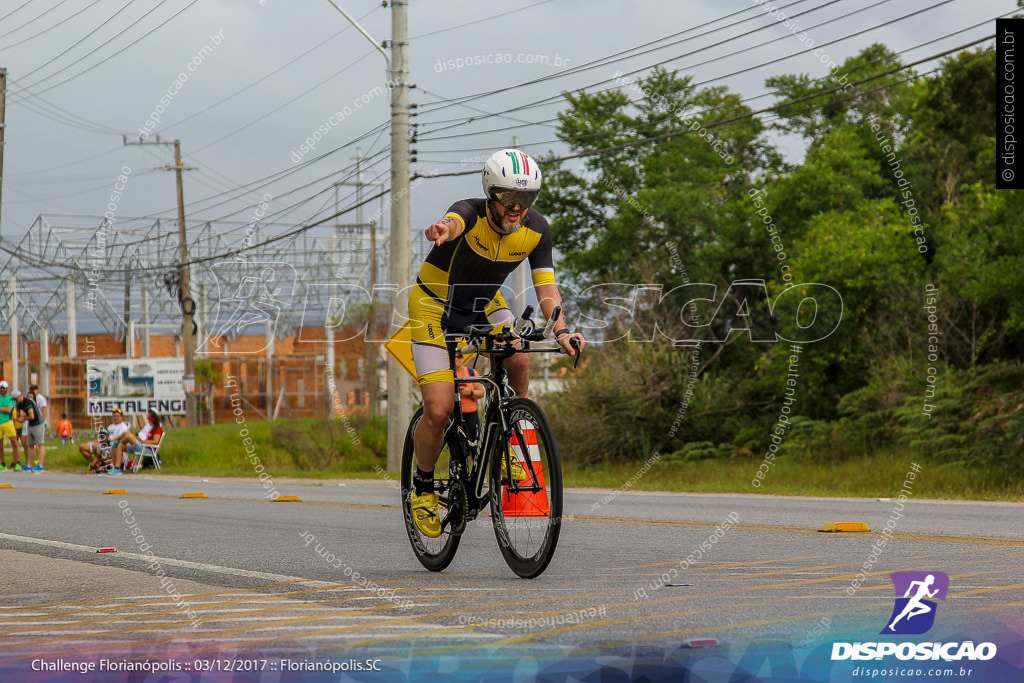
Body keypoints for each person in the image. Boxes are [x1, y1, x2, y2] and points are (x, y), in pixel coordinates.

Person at [407, 149, 585, 538]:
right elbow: (453, 222)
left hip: (485, 305)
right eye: (509, 197)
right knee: (438, 410)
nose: (518, 207)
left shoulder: (537, 228)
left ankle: (509, 424)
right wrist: (443, 230)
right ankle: (421, 488)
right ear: (491, 193)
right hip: (434, 309)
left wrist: (561, 331)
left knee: (519, 354)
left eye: (528, 199)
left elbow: (546, 286)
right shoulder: (469, 212)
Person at [108, 410, 163, 475]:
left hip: (147, 449)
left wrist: (142, 441)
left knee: (128, 435)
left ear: (152, 420)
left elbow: (155, 442)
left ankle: (117, 441)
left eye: (148, 419)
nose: (147, 420)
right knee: (121, 444)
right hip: (141, 446)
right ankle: (116, 468)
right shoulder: (150, 429)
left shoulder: (157, 429)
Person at [78, 408, 129, 472]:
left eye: (118, 416)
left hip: (113, 446)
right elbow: (104, 437)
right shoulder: (110, 427)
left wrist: (106, 442)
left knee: (97, 447)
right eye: (114, 416)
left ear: (122, 417)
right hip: (104, 444)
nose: (115, 418)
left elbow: (119, 439)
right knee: (82, 447)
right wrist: (92, 442)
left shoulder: (123, 427)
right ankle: (94, 465)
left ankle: (98, 465)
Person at [454, 350, 483, 444]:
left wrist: (469, 392)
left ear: (462, 358)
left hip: (471, 413)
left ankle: (475, 459)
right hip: (455, 413)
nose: (456, 359)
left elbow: (481, 392)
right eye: (454, 357)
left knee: (474, 443)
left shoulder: (471, 372)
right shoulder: (450, 375)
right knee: (457, 444)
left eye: (459, 356)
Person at [13, 391, 44, 471]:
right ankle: (29, 464)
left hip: (38, 423)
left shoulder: (27, 402)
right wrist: (19, 419)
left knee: (40, 444)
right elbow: (20, 415)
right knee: (30, 445)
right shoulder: (19, 404)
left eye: (16, 399)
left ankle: (40, 465)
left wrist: (23, 418)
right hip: (30, 424)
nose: (16, 401)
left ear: (20, 396)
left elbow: (32, 416)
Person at [0, 381, 23, 471]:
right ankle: (2, 463)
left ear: (7, 388)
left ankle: (17, 462)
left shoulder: (10, 399)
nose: (2, 390)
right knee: (0, 445)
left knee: (14, 442)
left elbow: (9, 410)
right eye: (1, 388)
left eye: (3, 388)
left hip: (8, 421)